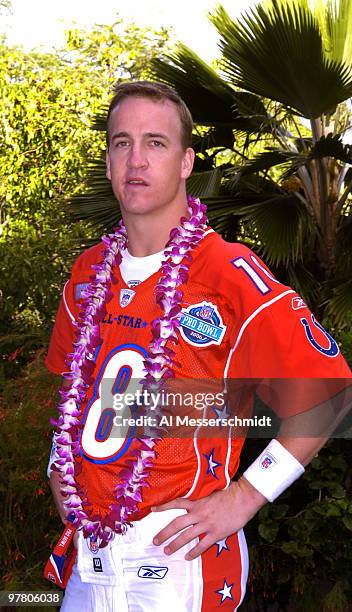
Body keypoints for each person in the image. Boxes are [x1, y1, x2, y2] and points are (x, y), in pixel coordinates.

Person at [45, 80, 351, 611]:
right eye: (122, 143)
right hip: (91, 559)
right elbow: (73, 392)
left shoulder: (227, 273)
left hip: (177, 558)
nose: (135, 159)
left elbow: (330, 394)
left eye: (155, 143)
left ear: (186, 162)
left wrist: (246, 497)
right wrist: (59, 471)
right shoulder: (88, 271)